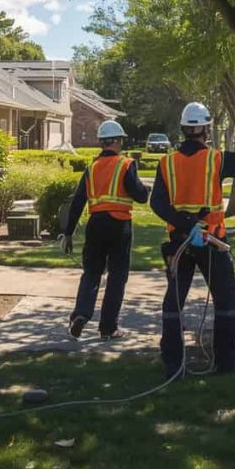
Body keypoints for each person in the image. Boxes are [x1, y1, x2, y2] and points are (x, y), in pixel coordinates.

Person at [150, 99, 235, 379]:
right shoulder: (217, 160)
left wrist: (183, 222)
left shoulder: (166, 163)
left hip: (178, 243)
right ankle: (226, 363)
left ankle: (172, 362)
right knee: (226, 302)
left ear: (183, 129)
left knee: (174, 303)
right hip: (211, 242)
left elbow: (156, 203)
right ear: (206, 129)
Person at [61, 120, 149, 341]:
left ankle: (80, 315)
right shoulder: (126, 164)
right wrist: (144, 188)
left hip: (95, 225)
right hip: (119, 226)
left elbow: (78, 202)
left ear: (101, 142)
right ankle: (108, 328)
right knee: (117, 277)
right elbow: (140, 195)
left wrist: (69, 232)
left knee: (91, 273)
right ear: (118, 141)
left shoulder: (91, 169)